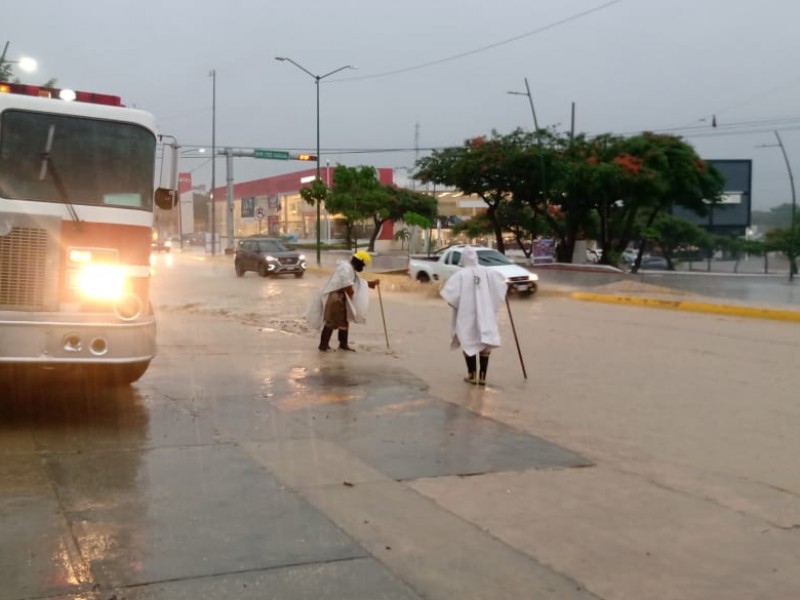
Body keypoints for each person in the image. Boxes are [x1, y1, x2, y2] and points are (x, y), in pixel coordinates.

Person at [440, 246, 507, 385]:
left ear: (464, 258)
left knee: (468, 341)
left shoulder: (460, 275)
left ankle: (472, 375)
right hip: (486, 313)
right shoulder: (488, 272)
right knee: (485, 343)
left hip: (466, 315)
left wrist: (456, 306)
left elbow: (449, 297)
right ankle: (482, 377)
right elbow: (501, 284)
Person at [306, 250, 379, 352]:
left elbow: (357, 282)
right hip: (336, 297)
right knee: (331, 321)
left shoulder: (350, 269)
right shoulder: (346, 269)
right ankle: (323, 346)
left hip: (342, 297)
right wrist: (352, 296)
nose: (362, 268)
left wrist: (371, 283)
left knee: (344, 322)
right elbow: (348, 286)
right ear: (359, 262)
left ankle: (343, 345)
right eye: (363, 265)